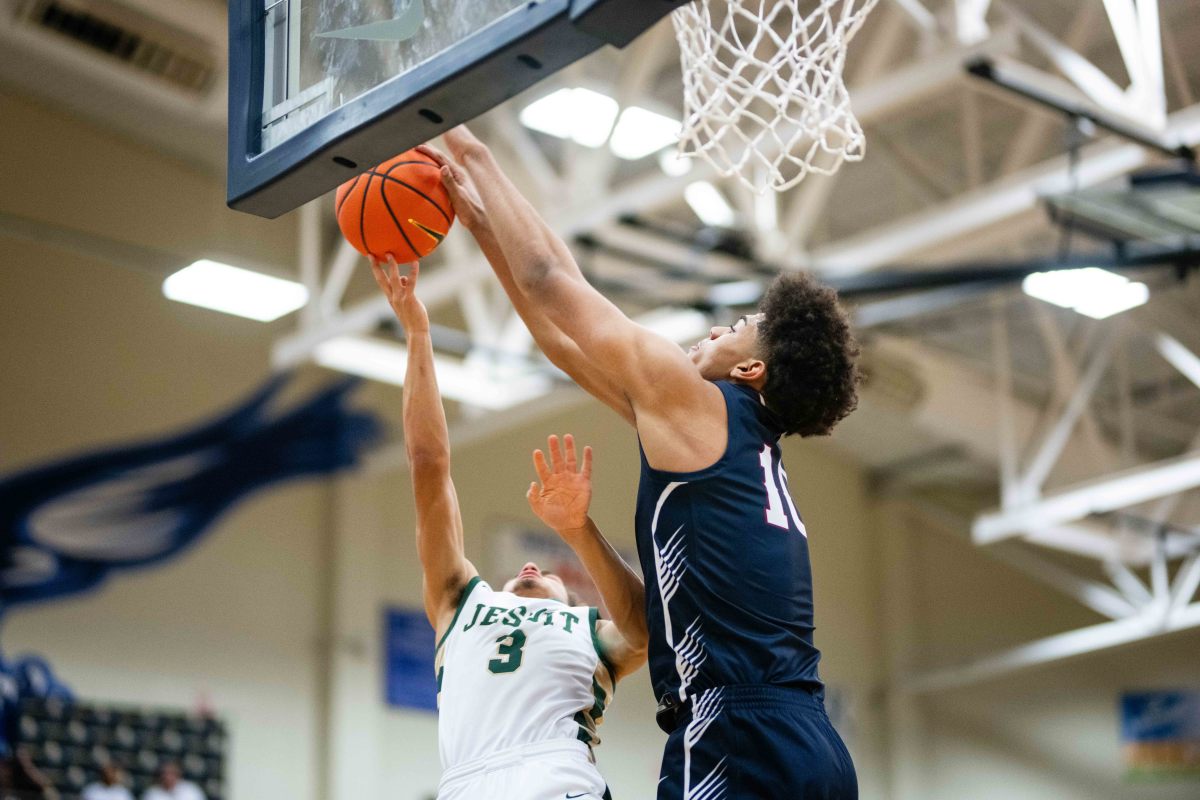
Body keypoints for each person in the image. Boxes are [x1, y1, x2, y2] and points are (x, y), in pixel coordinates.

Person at [422, 128, 862, 799]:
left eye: (738, 325)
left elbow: (551, 283)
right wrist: (480, 223)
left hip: (735, 737)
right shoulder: (736, 445)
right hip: (813, 742)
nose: (718, 327)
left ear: (750, 367)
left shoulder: (698, 409)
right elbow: (564, 343)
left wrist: (470, 147)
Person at [369, 256, 648, 800]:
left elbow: (645, 633)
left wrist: (577, 530)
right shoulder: (459, 604)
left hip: (555, 774)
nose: (529, 569)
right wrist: (418, 333)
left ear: (572, 600)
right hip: (465, 784)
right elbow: (428, 465)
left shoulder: (590, 633)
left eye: (547, 573)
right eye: (525, 571)